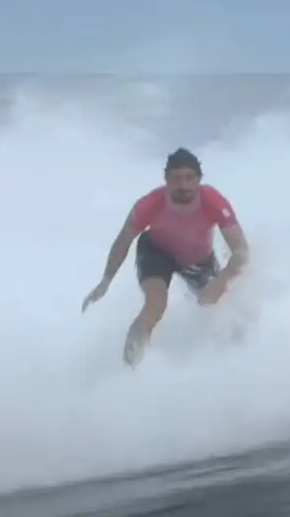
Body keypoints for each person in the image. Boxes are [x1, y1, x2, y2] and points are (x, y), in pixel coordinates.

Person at [81, 147, 250, 367]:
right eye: (176, 179)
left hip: (196, 259)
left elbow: (241, 251)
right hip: (156, 252)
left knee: (222, 308)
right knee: (156, 305)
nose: (183, 186)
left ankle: (239, 359)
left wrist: (221, 281)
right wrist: (106, 280)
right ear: (166, 180)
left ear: (199, 179)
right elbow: (123, 240)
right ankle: (128, 369)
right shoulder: (150, 204)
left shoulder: (213, 201)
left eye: (189, 178)